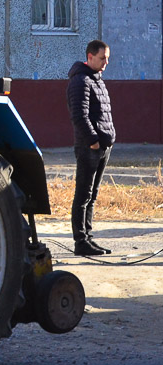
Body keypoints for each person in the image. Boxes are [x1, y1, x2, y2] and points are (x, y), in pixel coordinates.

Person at [67, 40, 115, 256]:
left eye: (107, 58)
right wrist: (94, 141)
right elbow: (79, 115)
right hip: (90, 147)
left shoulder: (96, 79)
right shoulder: (81, 81)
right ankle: (80, 241)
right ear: (90, 56)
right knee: (83, 195)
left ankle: (89, 239)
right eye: (102, 58)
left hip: (102, 147)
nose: (106, 62)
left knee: (92, 195)